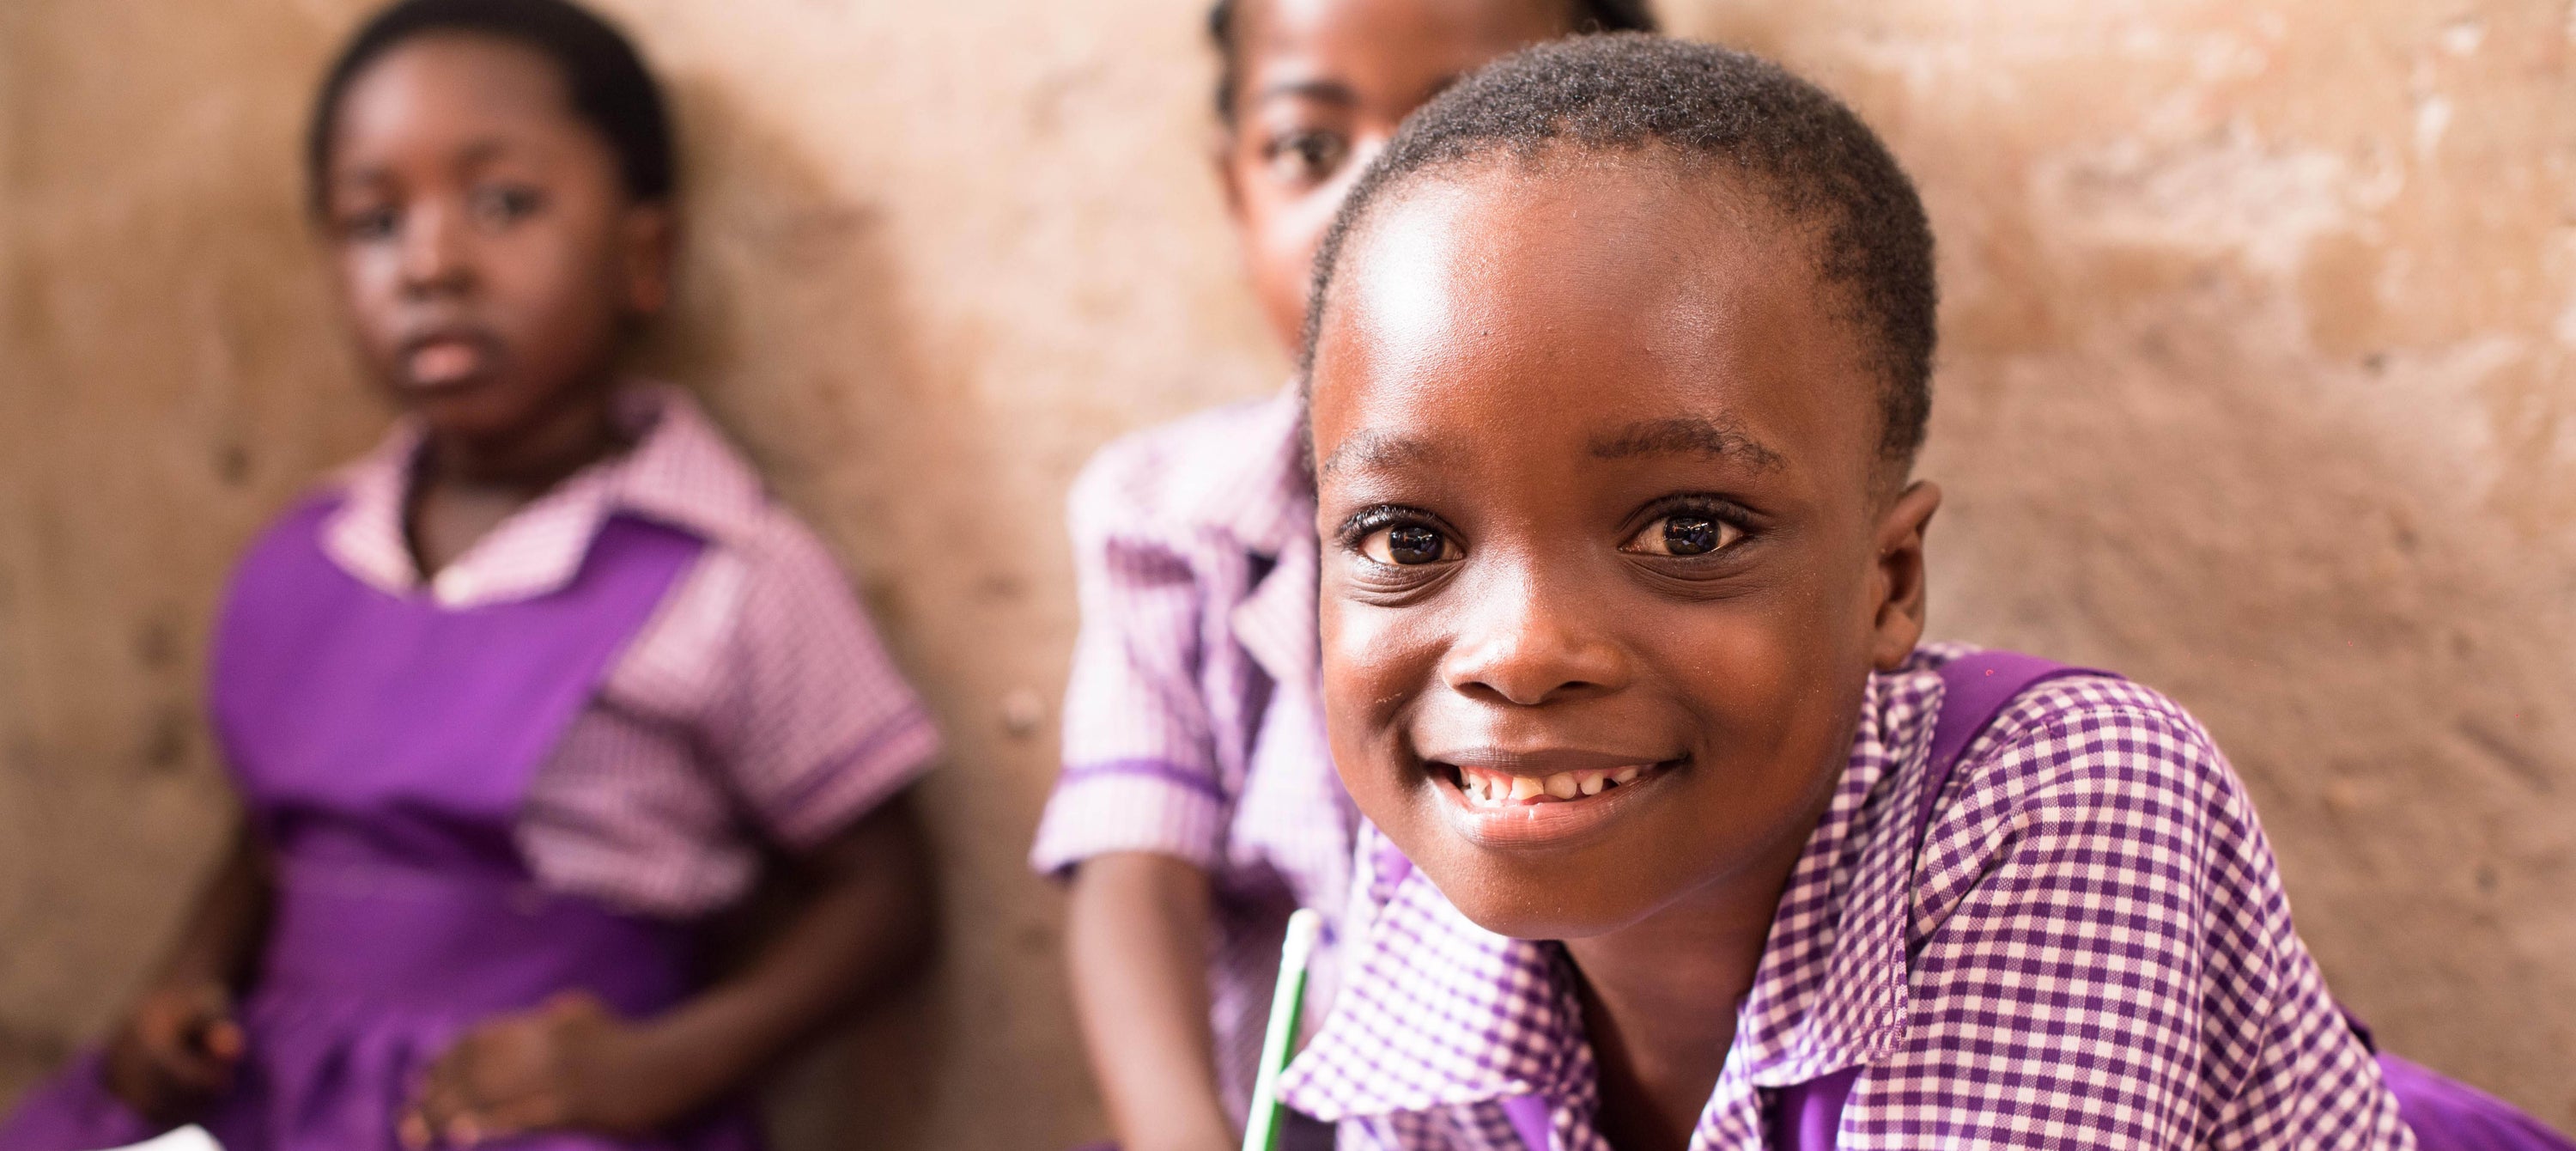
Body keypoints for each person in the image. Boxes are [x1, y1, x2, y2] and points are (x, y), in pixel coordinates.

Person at [1273, 33, 2574, 1150]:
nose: (1521, 652)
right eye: (1402, 538)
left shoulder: (2069, 797)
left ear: (1891, 582)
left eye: (1688, 528)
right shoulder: (1418, 872)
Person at [0, 3, 939, 1148]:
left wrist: (657, 1067)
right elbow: (269, 842)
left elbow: (885, 892)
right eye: (375, 220)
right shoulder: (308, 556)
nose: (434, 263)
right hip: (276, 1105)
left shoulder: (729, 575)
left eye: (503, 205)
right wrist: (184, 989)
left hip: (538, 1113)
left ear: (644, 253)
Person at [1027, 3, 1654, 1149]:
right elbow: (1134, 875)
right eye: (1310, 148)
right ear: (1235, 191)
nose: (1375, 199)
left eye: (1466, 132)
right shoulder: (1168, 517)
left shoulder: (1686, 514)